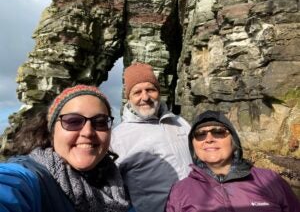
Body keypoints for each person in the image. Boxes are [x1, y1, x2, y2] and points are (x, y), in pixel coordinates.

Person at [0, 85, 129, 212]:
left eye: (100, 122)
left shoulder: (117, 185)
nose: (88, 132)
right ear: (52, 132)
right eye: (73, 121)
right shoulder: (29, 178)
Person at [165, 110, 300, 212]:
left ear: (234, 141)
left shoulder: (270, 180)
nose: (209, 138)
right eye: (200, 134)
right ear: (193, 145)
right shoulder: (180, 191)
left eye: (218, 131)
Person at [111, 62, 192, 212]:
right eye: (137, 92)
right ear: (128, 97)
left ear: (159, 92)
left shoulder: (181, 123)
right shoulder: (117, 138)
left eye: (150, 89)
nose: (145, 97)